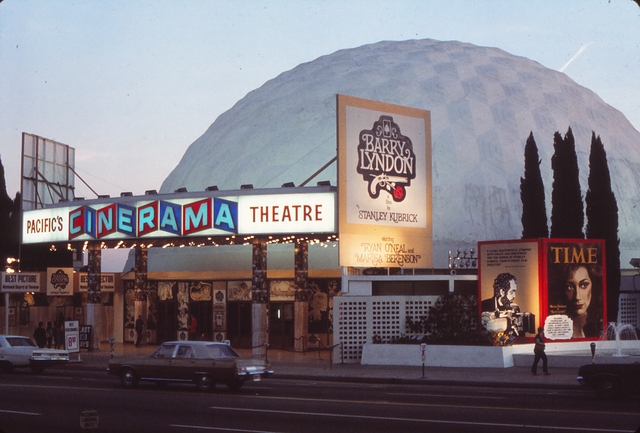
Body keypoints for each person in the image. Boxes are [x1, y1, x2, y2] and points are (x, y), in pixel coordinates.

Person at [562, 264, 603, 338]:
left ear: (593, 286)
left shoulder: (600, 326)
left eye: (584, 285)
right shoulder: (560, 327)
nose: (577, 297)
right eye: (570, 287)